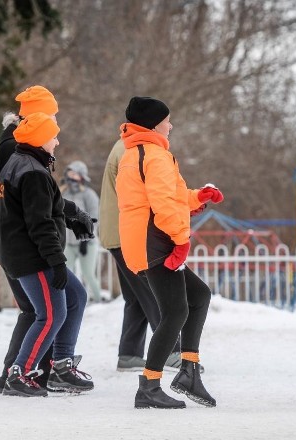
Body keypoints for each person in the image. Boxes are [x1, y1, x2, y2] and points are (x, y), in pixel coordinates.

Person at [0, 85, 96, 393]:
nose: (58, 136)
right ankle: (16, 374)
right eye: (52, 122)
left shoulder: (29, 156)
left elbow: (44, 204)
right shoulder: (21, 156)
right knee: (45, 313)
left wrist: (73, 214)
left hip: (31, 249)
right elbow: (36, 218)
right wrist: (56, 259)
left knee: (73, 298)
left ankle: (58, 365)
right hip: (27, 251)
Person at [116, 97, 222, 409]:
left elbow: (169, 197)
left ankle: (188, 370)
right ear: (153, 123)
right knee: (176, 311)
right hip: (157, 243)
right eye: (167, 120)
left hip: (146, 241)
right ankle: (149, 385)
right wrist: (180, 240)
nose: (171, 125)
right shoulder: (154, 156)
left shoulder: (139, 153)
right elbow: (162, 204)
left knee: (198, 295)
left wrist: (197, 197)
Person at [100, 139, 187, 373]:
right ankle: (170, 352)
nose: (169, 129)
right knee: (153, 293)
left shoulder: (124, 148)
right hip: (129, 235)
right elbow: (146, 195)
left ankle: (129, 354)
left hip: (118, 233)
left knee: (136, 297)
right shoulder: (131, 151)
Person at [62, 160, 103, 302]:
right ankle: (69, 302)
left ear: (81, 176)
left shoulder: (89, 194)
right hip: (69, 243)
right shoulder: (63, 193)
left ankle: (99, 302)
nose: (71, 176)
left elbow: (94, 218)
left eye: (75, 173)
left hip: (87, 243)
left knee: (88, 274)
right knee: (67, 273)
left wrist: (87, 239)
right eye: (69, 173)